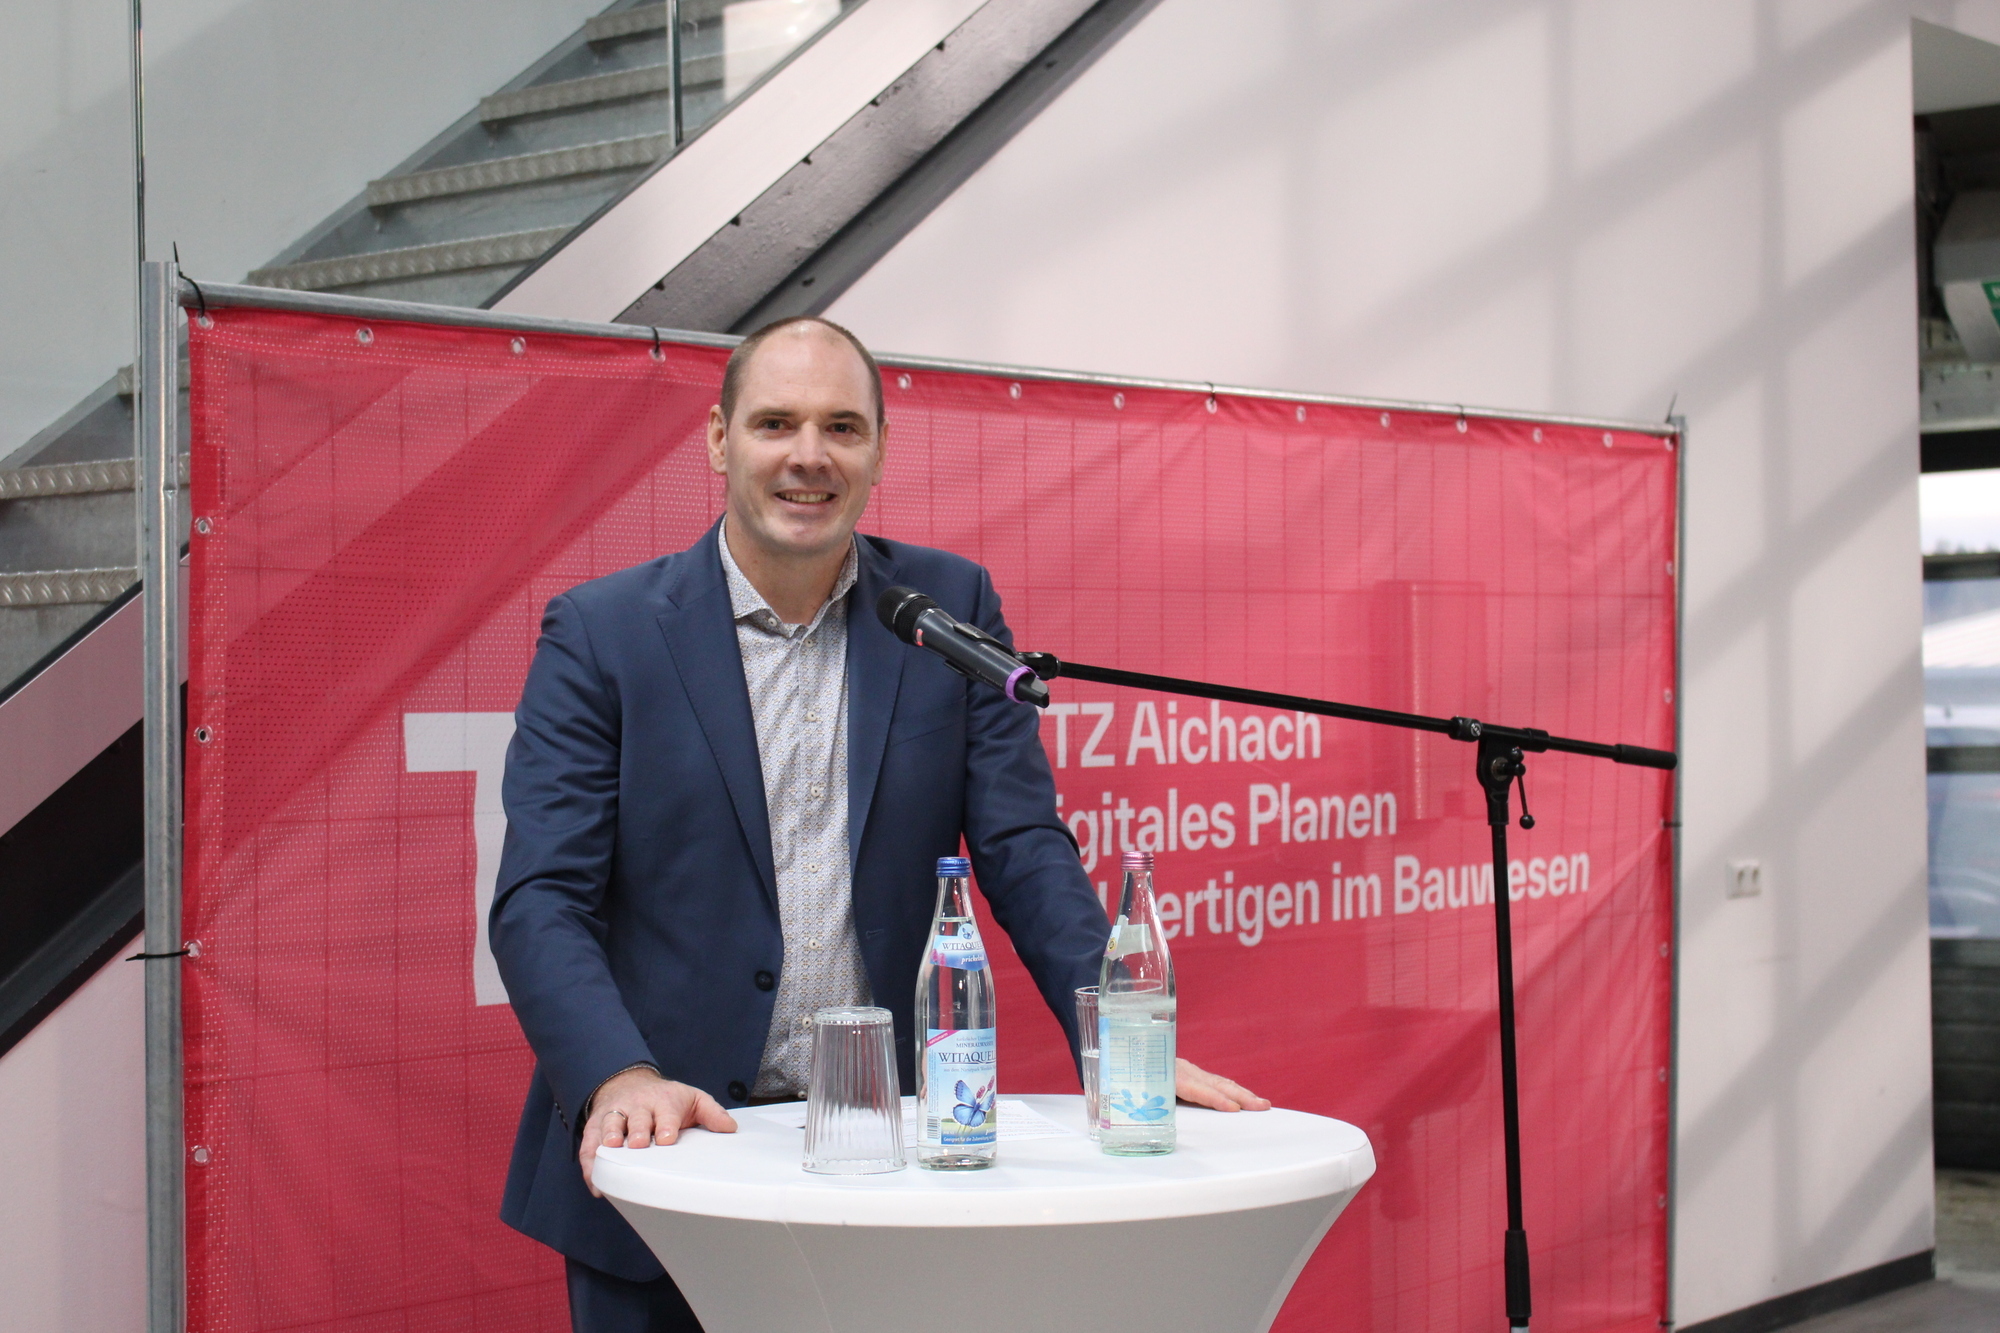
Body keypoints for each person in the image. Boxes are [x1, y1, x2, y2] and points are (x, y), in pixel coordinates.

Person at [490, 316, 1269, 1333]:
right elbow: (540, 897)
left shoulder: (947, 608)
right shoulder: (602, 633)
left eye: (840, 428)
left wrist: (1115, 1045)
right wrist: (619, 1073)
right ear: (720, 440)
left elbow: (1023, 848)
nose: (807, 456)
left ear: (878, 452)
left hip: (881, 1163)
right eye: (774, 423)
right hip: (673, 1160)